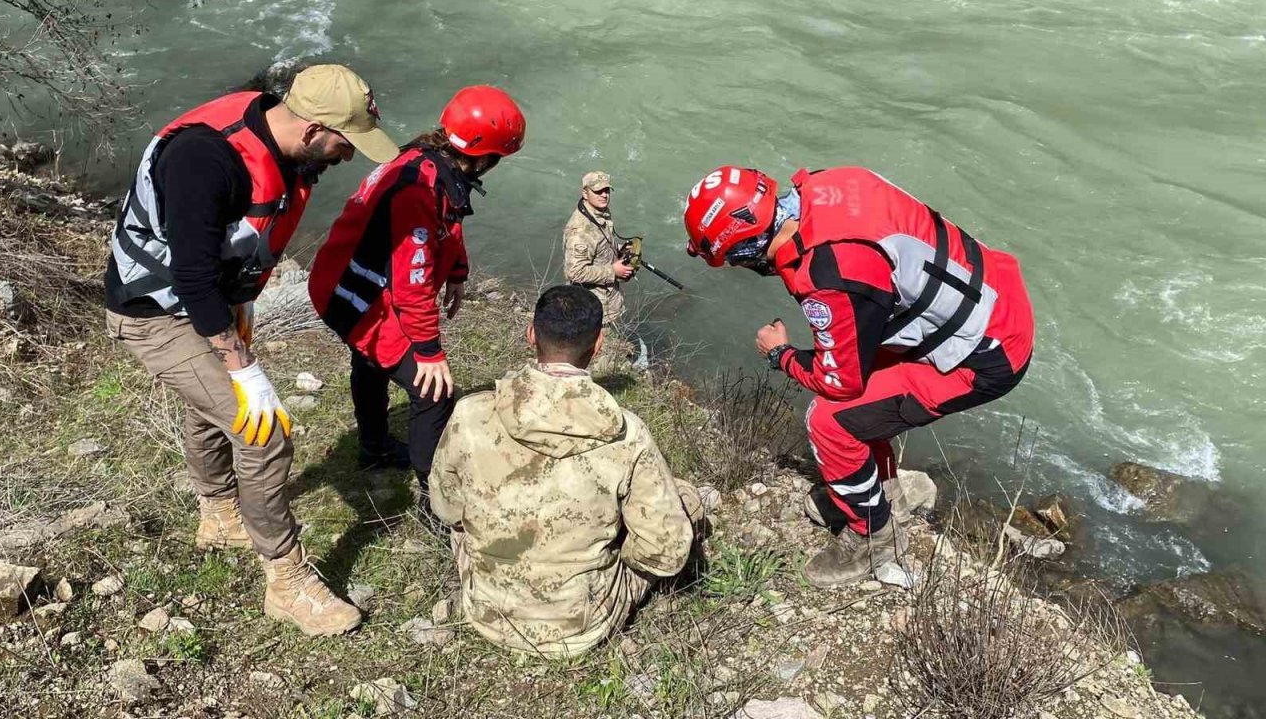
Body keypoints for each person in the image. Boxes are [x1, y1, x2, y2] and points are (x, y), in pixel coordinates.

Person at [104, 64, 400, 636]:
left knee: (209, 407)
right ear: (312, 130)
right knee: (262, 430)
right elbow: (191, 278)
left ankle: (219, 513)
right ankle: (287, 582)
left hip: (207, 299)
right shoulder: (203, 161)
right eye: (345, 144)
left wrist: (240, 306)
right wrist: (243, 369)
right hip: (152, 311)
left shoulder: (283, 140)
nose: (347, 157)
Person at [682, 166, 1035, 586]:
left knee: (830, 421)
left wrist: (781, 354)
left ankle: (874, 539)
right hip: (992, 295)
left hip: (985, 355)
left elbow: (840, 381)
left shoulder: (829, 274)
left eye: (731, 259)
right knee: (866, 402)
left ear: (746, 248)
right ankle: (886, 499)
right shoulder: (828, 182)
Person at [429, 284, 702, 657]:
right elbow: (665, 554)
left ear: (531, 334)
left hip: (487, 610)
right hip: (580, 625)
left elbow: (446, 509)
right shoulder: (628, 435)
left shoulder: (470, 414)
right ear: (599, 344)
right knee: (685, 499)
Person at [308, 86, 525, 489]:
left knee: (370, 363)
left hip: (341, 279)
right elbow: (413, 281)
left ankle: (374, 448)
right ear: (484, 156)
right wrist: (428, 350)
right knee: (434, 393)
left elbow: (446, 224)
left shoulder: (428, 161)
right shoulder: (417, 189)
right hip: (355, 294)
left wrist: (457, 271)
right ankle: (433, 492)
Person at [562, 171, 634, 326]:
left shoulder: (600, 212)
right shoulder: (580, 231)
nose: (604, 195)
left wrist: (620, 249)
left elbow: (599, 245)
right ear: (585, 193)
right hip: (592, 308)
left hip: (609, 301)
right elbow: (574, 272)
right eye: (598, 191)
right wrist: (613, 271)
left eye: (607, 190)